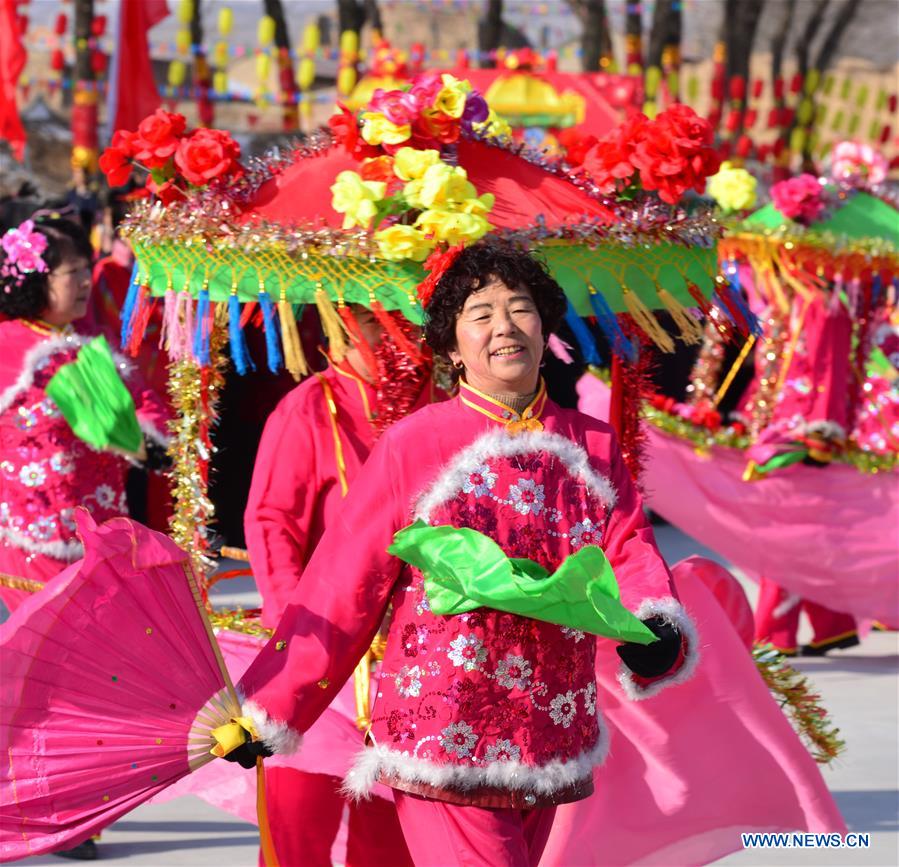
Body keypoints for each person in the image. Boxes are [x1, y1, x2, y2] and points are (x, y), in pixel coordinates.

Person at [224, 242, 699, 866]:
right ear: (451, 346)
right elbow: (344, 584)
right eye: (481, 313)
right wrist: (274, 706)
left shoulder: (593, 444)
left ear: (545, 326)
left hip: (550, 724)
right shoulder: (413, 445)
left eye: (520, 308)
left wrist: (655, 621)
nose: (504, 326)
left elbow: (627, 545)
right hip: (443, 721)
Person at [243, 303, 433, 866]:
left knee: (392, 835)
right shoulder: (310, 408)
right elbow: (272, 522)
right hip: (321, 654)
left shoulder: (444, 403)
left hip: (415, 658)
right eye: (377, 320)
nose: (396, 333)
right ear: (346, 322)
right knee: (300, 826)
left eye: (408, 319)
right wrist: (298, 632)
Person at [0, 217, 169, 615]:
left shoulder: (90, 347)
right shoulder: (7, 347)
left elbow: (147, 405)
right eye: (71, 272)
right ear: (33, 279)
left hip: (105, 541)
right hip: (32, 544)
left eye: (84, 270)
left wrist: (146, 440)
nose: (83, 282)